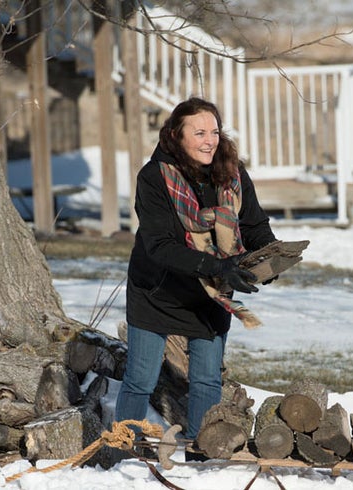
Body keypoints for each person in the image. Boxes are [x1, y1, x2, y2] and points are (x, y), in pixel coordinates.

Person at [115, 97, 277, 453]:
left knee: (206, 380)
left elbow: (253, 224)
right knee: (140, 379)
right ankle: (119, 453)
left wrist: (270, 257)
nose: (209, 140)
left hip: (212, 290)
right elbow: (159, 246)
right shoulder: (154, 178)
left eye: (215, 132)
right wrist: (218, 265)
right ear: (176, 135)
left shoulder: (232, 173)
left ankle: (201, 459)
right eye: (199, 132)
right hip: (157, 290)